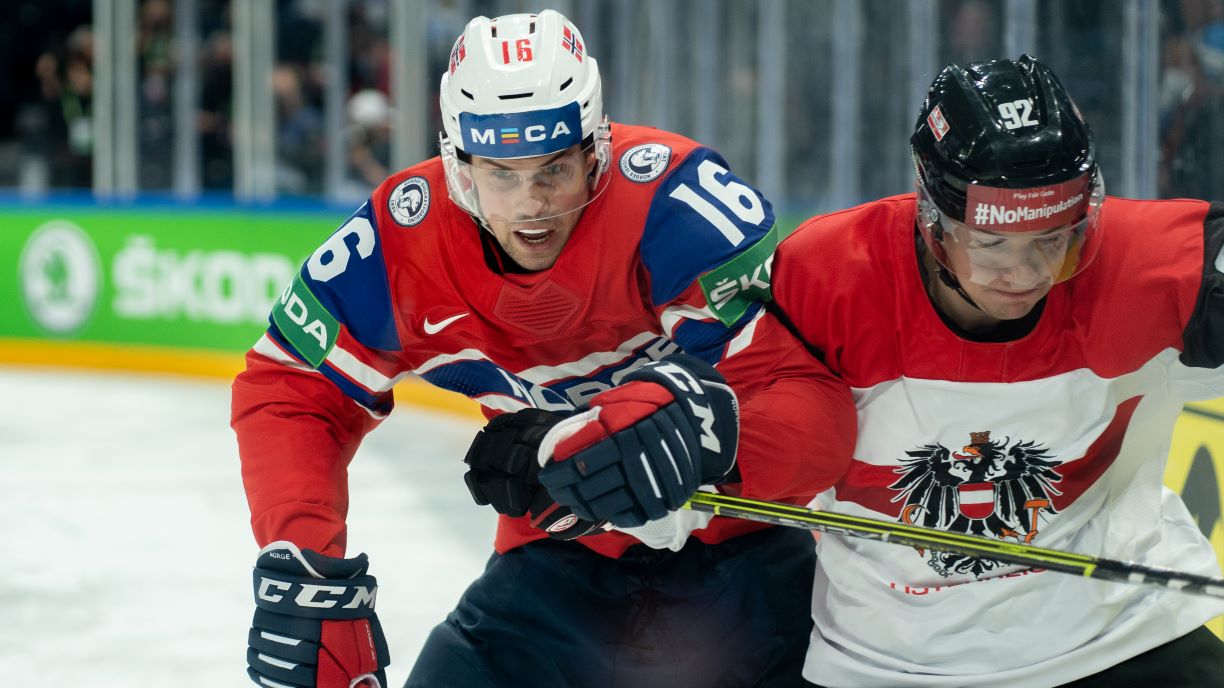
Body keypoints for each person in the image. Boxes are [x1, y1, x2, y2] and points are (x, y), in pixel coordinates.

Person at [232, 10, 855, 688]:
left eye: (554, 168)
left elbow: (811, 405)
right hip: (555, 558)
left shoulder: (674, 202)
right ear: (457, 163)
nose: (532, 205)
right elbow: (291, 385)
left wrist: (714, 440)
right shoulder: (397, 241)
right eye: (501, 172)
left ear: (597, 149)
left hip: (744, 553)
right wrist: (303, 564)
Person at [770, 54, 1224, 687]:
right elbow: (736, 426)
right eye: (992, 245)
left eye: (1052, 238)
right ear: (931, 216)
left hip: (1124, 637)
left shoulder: (1144, 264)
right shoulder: (828, 275)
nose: (1028, 273)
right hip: (887, 666)